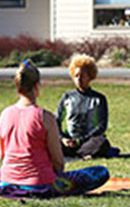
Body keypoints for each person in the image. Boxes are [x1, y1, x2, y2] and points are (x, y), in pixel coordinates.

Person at [0, 60, 109, 197]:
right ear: (37, 87)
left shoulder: (4, 114)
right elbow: (58, 163)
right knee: (100, 172)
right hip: (40, 184)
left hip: (5, 182)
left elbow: (2, 154)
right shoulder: (44, 117)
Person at [56, 54, 116, 159]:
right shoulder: (67, 97)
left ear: (90, 76)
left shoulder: (99, 99)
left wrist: (81, 140)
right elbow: (56, 120)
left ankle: (79, 153)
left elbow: (101, 126)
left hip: (88, 141)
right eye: (76, 76)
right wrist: (63, 139)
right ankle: (81, 154)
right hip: (69, 141)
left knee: (102, 143)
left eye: (82, 76)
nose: (79, 79)